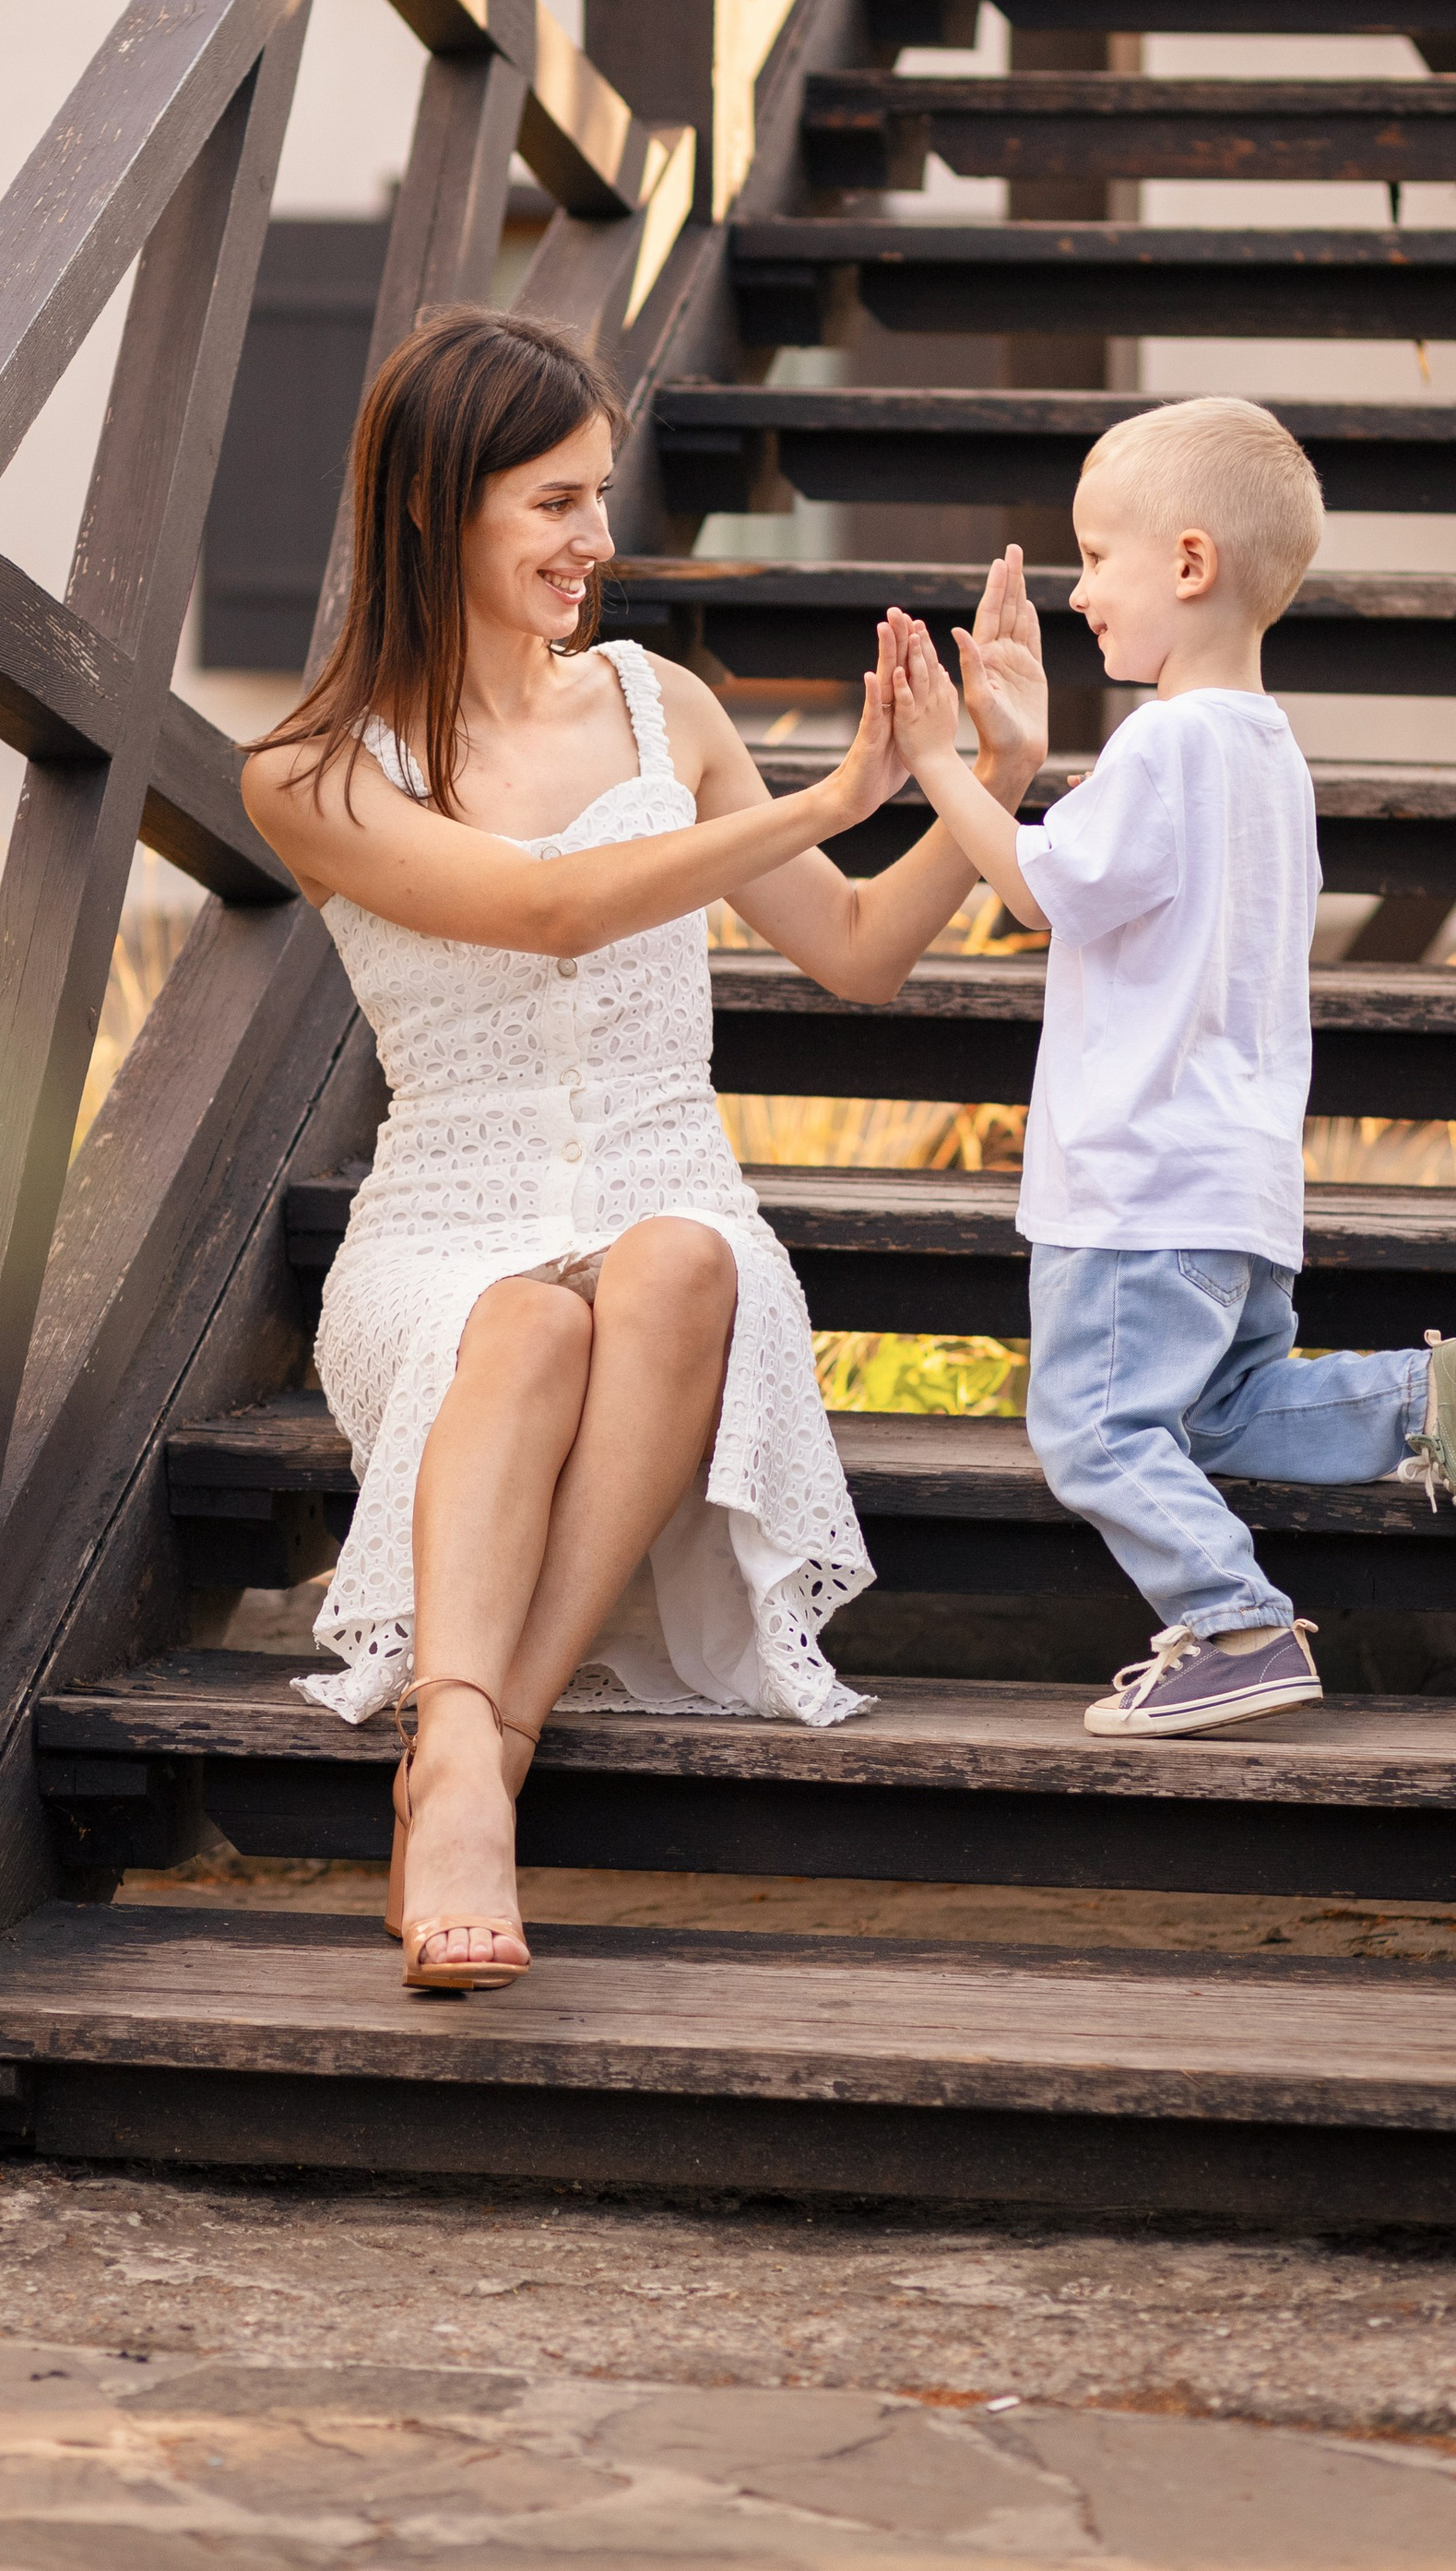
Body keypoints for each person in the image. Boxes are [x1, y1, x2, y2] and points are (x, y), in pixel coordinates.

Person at [240, 306, 1048, 1988]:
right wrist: (831, 794)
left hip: (665, 1185)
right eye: (553, 503)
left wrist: (992, 780)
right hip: (444, 1230)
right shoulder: (308, 771)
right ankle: (463, 1750)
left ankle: (480, 1756)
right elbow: (539, 912)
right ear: (430, 508)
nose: (596, 542)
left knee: (682, 1257)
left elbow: (853, 952)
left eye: (599, 498)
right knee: (528, 1314)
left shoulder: (657, 703)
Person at [882, 392, 1456, 1742]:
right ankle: (1419, 1398)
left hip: (1134, 1187)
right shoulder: (1265, 751)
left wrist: (941, 764)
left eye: (1098, 557)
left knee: (1097, 1432)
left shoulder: (1167, 740)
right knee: (1227, 1407)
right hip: (1235, 1187)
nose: (1078, 595)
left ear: (1190, 565)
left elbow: (1034, 886)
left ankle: (1234, 1625)